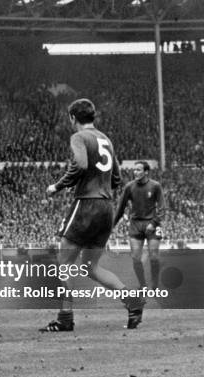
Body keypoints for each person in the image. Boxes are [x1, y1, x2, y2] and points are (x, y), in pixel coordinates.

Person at [41, 98, 144, 332]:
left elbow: (80, 164)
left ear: (73, 118)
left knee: (63, 264)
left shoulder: (79, 137)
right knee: (90, 266)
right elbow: (117, 178)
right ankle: (133, 301)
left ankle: (65, 319)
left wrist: (57, 186)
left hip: (87, 204)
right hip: (107, 207)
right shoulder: (106, 139)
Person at [114, 161, 165, 290]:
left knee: (154, 257)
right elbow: (120, 209)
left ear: (146, 172)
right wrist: (112, 225)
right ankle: (143, 285)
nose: (135, 172)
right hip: (135, 224)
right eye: (134, 170)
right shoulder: (129, 187)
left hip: (152, 224)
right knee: (136, 258)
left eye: (138, 169)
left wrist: (154, 223)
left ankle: (155, 284)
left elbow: (162, 209)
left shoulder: (155, 186)